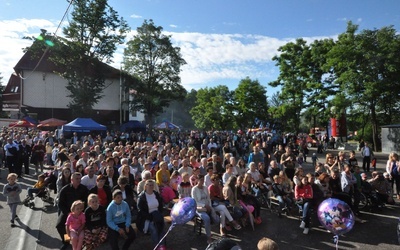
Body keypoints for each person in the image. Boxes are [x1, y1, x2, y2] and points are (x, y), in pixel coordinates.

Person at [57, 172, 89, 250]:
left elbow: (87, 202)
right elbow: (60, 203)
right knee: (59, 225)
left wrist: (81, 212)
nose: (79, 180)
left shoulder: (84, 189)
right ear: (72, 179)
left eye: (79, 179)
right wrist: (68, 213)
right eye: (76, 179)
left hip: (80, 212)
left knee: (84, 225)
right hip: (68, 212)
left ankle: (80, 243)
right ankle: (67, 241)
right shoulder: (65, 189)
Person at [137, 179, 166, 249]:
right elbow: (140, 211)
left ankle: (162, 246)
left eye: (152, 185)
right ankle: (156, 246)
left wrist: (159, 214)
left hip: (157, 215)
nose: (151, 187)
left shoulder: (156, 194)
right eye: (149, 185)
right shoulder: (142, 197)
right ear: (145, 186)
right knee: (154, 229)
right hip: (147, 218)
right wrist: (151, 218)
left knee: (162, 228)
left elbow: (161, 206)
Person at [191, 174, 214, 244]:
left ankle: (210, 229)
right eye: (201, 180)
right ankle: (209, 237)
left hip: (207, 206)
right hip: (199, 208)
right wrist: (204, 205)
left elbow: (208, 198)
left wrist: (209, 206)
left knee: (216, 218)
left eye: (203, 180)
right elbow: (195, 201)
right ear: (197, 180)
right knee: (206, 218)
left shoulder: (205, 188)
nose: (202, 181)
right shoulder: (194, 189)